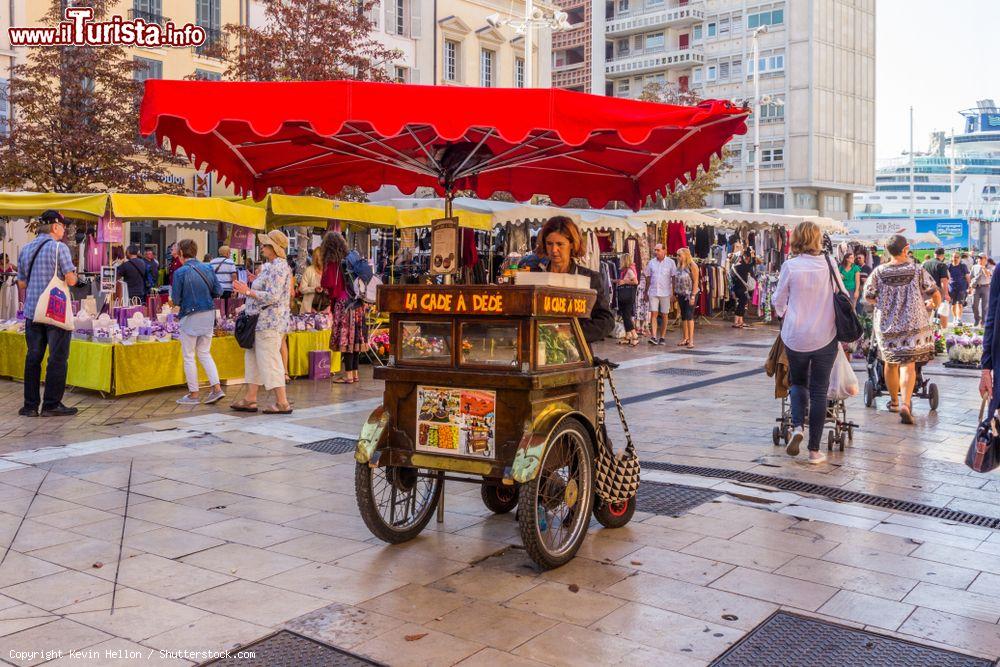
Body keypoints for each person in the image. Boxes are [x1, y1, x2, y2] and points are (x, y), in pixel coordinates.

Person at [772, 221, 848, 464]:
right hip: (824, 336)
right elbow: (843, 294)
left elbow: (778, 300)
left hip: (796, 337)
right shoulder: (828, 263)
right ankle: (815, 451)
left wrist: (787, 313)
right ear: (817, 239)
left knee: (797, 383)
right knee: (819, 392)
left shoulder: (790, 266)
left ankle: (797, 427)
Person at [865, 234, 940, 425]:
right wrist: (932, 304)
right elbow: (935, 293)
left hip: (887, 326)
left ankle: (895, 402)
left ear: (888, 251)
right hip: (914, 325)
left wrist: (882, 303)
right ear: (906, 249)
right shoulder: (917, 270)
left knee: (890, 363)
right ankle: (907, 403)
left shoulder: (879, 272)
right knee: (909, 364)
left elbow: (868, 296)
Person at [16, 210, 79, 417]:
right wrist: (74, 276)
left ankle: (30, 405)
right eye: (63, 226)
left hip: (32, 312)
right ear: (55, 227)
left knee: (33, 357)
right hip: (55, 312)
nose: (64, 230)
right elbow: (70, 281)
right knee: (57, 358)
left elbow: (22, 283)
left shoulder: (26, 248)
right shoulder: (59, 248)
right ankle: (52, 404)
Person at [230, 230, 293, 414]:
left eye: (265, 245)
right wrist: (254, 282)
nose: (262, 247)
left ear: (274, 248)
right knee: (253, 359)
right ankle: (250, 398)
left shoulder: (279, 267)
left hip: (269, 323)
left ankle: (282, 402)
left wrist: (248, 291)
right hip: (259, 322)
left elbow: (273, 296)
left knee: (269, 360)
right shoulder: (271, 266)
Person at [526, 216, 614, 344]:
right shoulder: (534, 276)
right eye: (549, 244)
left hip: (575, 354)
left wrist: (572, 332)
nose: (554, 250)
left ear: (572, 244)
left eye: (560, 244)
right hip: (539, 350)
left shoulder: (590, 279)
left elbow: (606, 321)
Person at [170, 239, 225, 406]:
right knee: (204, 353)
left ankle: (194, 393)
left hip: (190, 315)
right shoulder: (208, 267)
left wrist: (174, 303)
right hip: (209, 313)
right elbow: (219, 291)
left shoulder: (180, 272)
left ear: (180, 253)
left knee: (189, 356)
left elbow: (177, 299)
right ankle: (216, 389)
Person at [321, 232, 364, 384]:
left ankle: (348, 375)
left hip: (343, 304)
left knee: (346, 340)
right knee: (355, 340)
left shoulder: (334, 262)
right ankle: (355, 373)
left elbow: (328, 283)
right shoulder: (351, 259)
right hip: (357, 303)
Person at [643, 243, 676, 345]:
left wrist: (673, 293)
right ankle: (653, 336)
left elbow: (674, 278)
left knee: (665, 314)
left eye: (658, 250)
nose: (656, 252)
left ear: (664, 251)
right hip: (653, 291)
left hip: (666, 292)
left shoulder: (670, 262)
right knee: (654, 313)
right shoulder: (651, 263)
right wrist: (645, 291)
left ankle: (662, 337)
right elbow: (648, 277)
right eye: (655, 250)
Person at [674, 247, 700, 349]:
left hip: (690, 293)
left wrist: (693, 295)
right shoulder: (679, 266)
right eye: (677, 255)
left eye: (679, 255)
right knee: (684, 316)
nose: (677, 257)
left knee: (689, 315)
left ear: (685, 255)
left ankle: (691, 340)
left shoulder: (692, 265)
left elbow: (695, 281)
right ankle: (685, 338)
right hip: (681, 294)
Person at [922, 248, 950, 328]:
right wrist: (946, 294)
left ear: (934, 254)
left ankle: (926, 326)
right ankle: (938, 328)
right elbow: (943, 281)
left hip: (926, 290)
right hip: (937, 291)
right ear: (942, 255)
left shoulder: (925, 263)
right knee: (940, 310)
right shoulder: (942, 265)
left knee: (928, 308)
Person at [616, 253, 639, 346]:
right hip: (625, 297)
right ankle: (628, 335)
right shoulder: (624, 271)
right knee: (625, 316)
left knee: (626, 316)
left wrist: (624, 281)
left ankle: (634, 335)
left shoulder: (629, 270)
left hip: (628, 297)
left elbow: (636, 281)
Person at [731, 248, 755, 329]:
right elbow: (753, 263)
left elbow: (732, 280)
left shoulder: (734, 268)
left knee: (740, 305)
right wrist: (753, 255)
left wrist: (733, 291)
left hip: (736, 289)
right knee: (741, 306)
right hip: (743, 290)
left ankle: (740, 322)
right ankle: (736, 322)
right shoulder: (745, 267)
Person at [299, 248, 325, 313]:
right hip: (308, 310)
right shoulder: (309, 270)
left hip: (323, 309)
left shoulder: (327, 271)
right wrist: (314, 289)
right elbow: (302, 288)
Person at [948, 251, 971, 321]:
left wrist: (970, 287)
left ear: (960, 258)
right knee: (953, 304)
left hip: (962, 287)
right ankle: (955, 317)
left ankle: (959, 319)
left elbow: (967, 276)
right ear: (951, 258)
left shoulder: (963, 266)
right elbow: (946, 277)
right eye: (954, 257)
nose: (956, 258)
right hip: (952, 287)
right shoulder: (949, 266)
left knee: (960, 303)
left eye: (957, 257)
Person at [972, 253, 993, 327]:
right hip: (977, 288)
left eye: (981, 258)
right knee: (974, 305)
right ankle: (977, 319)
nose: (979, 259)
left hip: (986, 287)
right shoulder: (974, 267)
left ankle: (983, 322)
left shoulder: (989, 266)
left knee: (984, 306)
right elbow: (971, 277)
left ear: (985, 259)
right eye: (978, 258)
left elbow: (988, 275)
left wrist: (983, 267)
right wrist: (970, 287)